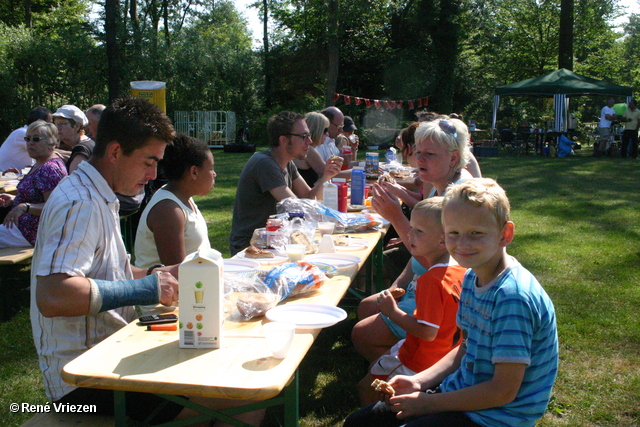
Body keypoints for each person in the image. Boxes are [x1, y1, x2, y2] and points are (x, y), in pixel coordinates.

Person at [31, 99, 264, 427]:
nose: (154, 174)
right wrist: (145, 287)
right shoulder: (80, 204)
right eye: (148, 161)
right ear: (114, 152)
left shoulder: (98, 193)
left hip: (109, 357)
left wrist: (159, 274)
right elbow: (53, 295)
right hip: (83, 382)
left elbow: (113, 274)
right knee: (246, 393)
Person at [344, 178, 559, 427]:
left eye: (476, 233)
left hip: (497, 417)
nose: (462, 244)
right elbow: (464, 348)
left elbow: (503, 391)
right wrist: (419, 382)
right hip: (461, 392)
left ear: (505, 234)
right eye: (453, 233)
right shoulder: (471, 276)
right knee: (360, 422)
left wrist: (426, 403)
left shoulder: (512, 298)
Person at [352, 118, 475, 363]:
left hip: (442, 295)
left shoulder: (457, 197)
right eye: (418, 152)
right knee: (366, 306)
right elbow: (419, 254)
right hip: (421, 283)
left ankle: (412, 371)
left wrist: (395, 216)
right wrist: (397, 285)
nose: (420, 160)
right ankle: (392, 363)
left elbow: (431, 254)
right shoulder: (438, 186)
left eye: (429, 154)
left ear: (452, 158)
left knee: (362, 333)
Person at [357, 197, 467, 406]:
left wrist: (392, 312)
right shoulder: (461, 270)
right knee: (376, 369)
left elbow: (427, 332)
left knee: (367, 388)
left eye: (418, 230)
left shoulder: (431, 281)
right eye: (412, 227)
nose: (409, 234)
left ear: (443, 241)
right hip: (443, 356)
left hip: (418, 359)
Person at [229, 111, 342, 255]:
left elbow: (308, 196)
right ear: (283, 140)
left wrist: (327, 175)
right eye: (303, 136)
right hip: (252, 248)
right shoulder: (264, 163)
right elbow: (294, 206)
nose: (309, 141)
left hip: (274, 242)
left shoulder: (287, 163)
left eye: (308, 135)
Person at [135, 134, 214, 269]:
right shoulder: (168, 210)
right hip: (166, 289)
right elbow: (178, 272)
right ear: (194, 172)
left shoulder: (183, 198)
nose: (214, 174)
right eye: (211, 168)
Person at [0, 120, 67, 248]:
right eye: (27, 139)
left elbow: (55, 207)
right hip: (20, 229)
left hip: (33, 233)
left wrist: (25, 207)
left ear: (51, 143)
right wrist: (14, 200)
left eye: (36, 139)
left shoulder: (50, 169)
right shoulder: (39, 163)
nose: (30, 143)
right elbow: (36, 197)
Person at [0, 106, 51, 174]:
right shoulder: (24, 133)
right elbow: (49, 152)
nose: (51, 126)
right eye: (49, 123)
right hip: (5, 177)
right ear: (39, 121)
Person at [293, 112, 330, 186]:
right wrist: (357, 170)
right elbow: (329, 174)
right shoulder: (308, 150)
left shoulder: (309, 148)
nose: (327, 134)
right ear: (316, 130)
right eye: (325, 130)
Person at [52, 104, 94, 172]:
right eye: (56, 124)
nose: (58, 128)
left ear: (76, 126)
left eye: (63, 124)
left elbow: (76, 181)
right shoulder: (86, 144)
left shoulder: (81, 149)